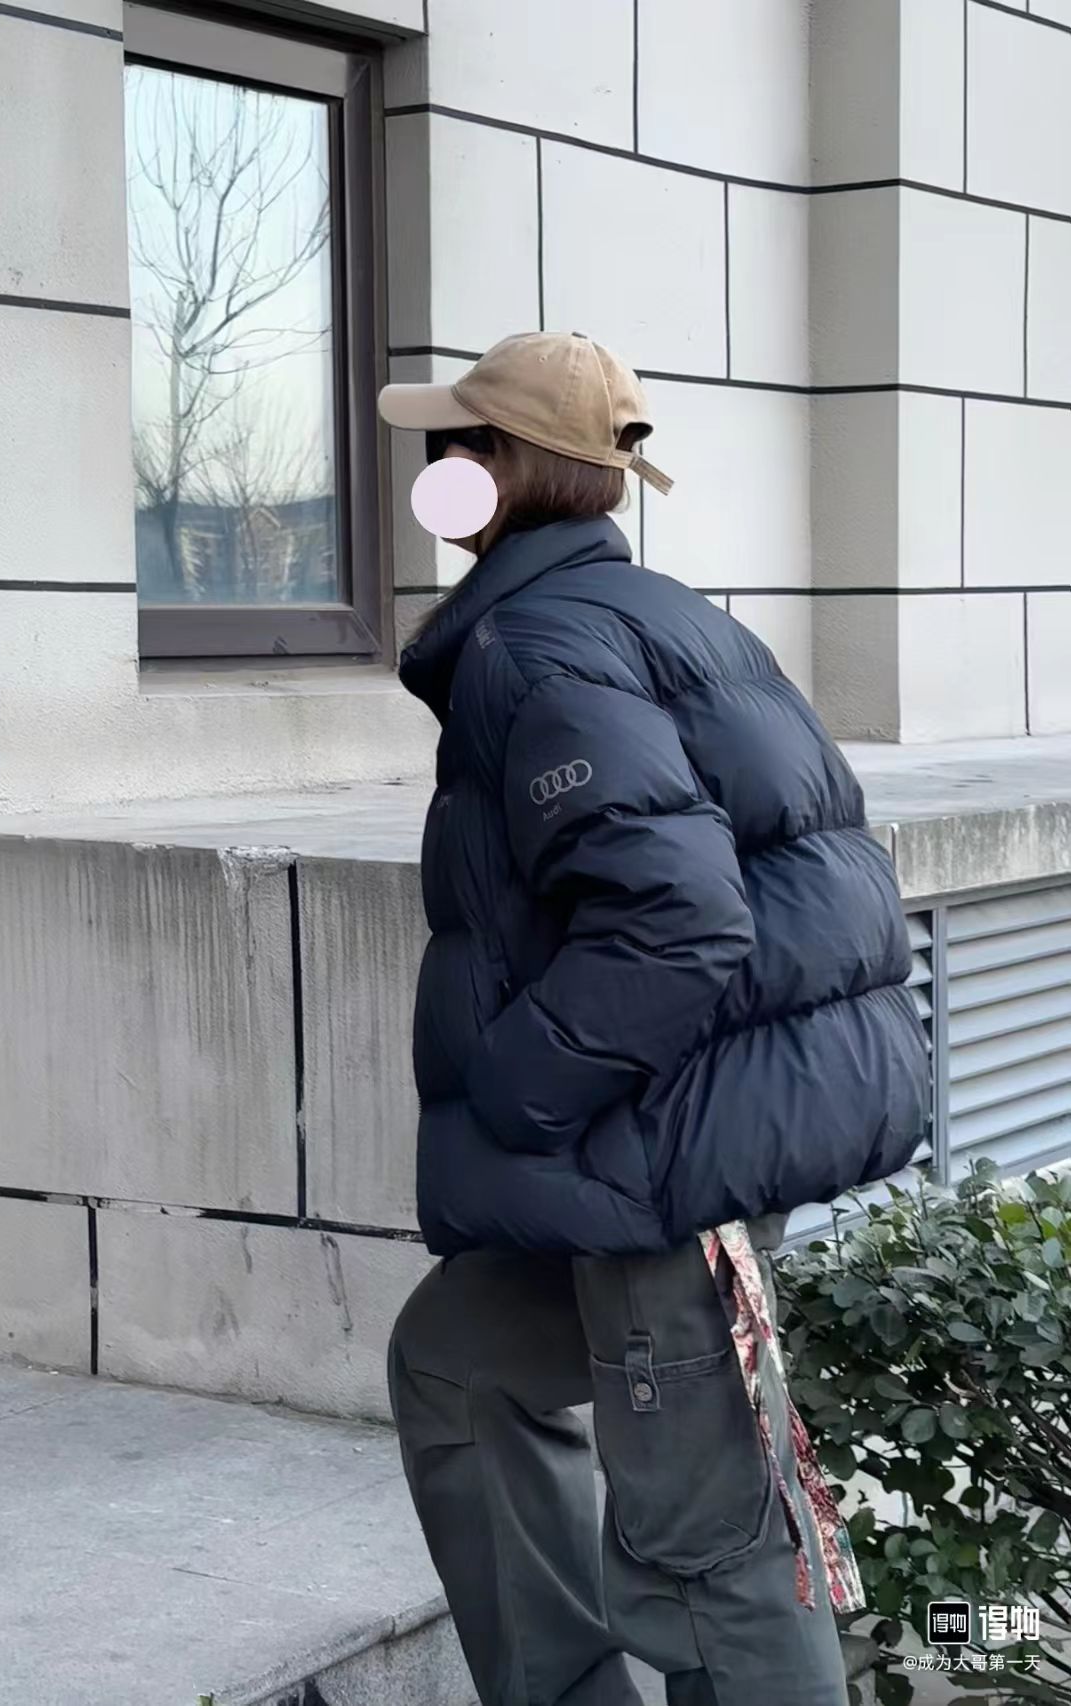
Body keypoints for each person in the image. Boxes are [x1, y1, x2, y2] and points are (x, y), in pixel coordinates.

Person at [377, 332, 931, 1706]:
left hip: (661, 1161)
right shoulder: (659, 616)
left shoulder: (537, 647)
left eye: (456, 444)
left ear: (505, 471)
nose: (436, 469)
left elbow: (679, 918)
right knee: (454, 1365)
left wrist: (520, 1090)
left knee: (703, 1550)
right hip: (681, 1132)